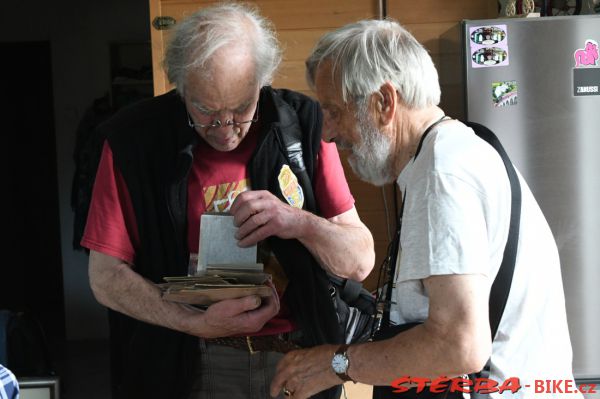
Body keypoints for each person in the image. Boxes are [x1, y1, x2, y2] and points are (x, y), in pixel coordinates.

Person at [270, 19, 581, 399]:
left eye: (334, 111)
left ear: (384, 102)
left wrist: (335, 363)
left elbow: (459, 345)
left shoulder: (443, 175)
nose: (328, 133)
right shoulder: (462, 148)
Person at [81, 4, 374, 399]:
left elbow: (359, 260)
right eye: (205, 110)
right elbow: (105, 279)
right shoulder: (134, 141)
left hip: (299, 354)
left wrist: (298, 221)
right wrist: (194, 323)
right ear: (181, 86)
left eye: (240, 109)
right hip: (192, 362)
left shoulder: (302, 122)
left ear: (262, 83)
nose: (225, 129)